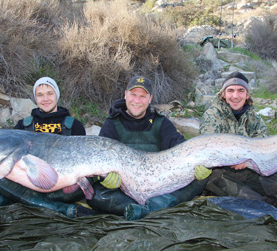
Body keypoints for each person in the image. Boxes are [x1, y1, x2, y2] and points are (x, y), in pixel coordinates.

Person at [87, 75, 212, 220]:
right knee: (94, 194)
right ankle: (149, 208)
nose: (137, 101)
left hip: (162, 185)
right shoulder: (112, 124)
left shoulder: (162, 122)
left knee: (201, 179)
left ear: (150, 99)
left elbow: (181, 147)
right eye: (133, 95)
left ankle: (144, 209)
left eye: (143, 96)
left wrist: (196, 163)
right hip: (124, 189)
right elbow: (99, 158)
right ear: (126, 95)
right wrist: (106, 178)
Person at [0, 77, 87, 217]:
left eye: (50, 93)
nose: (45, 99)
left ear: (57, 95)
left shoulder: (74, 125)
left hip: (60, 184)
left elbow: (82, 160)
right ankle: (52, 207)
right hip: (26, 181)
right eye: (40, 95)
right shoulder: (22, 125)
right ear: (35, 98)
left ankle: (21, 198)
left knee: (87, 183)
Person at [199, 71, 277, 209]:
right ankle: (260, 199)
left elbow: (264, 146)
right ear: (223, 94)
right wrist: (241, 158)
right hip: (219, 171)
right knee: (251, 201)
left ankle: (251, 195)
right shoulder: (212, 115)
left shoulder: (255, 118)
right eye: (230, 91)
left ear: (247, 95)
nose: (235, 96)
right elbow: (212, 152)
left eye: (241, 91)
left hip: (248, 168)